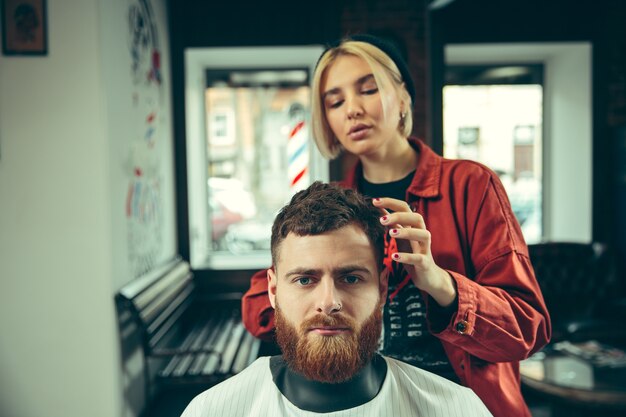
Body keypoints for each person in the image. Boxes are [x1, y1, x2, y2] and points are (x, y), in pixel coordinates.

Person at [241, 34, 551, 417]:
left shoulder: (470, 185)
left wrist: (441, 283)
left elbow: (527, 330)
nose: (352, 109)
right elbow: (260, 303)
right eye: (335, 101)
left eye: (368, 90)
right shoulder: (333, 205)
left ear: (403, 96)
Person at [182, 182, 493, 417]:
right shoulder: (211, 411)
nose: (329, 302)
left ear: (382, 289)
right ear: (273, 290)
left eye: (351, 278)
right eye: (305, 280)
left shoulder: (458, 409)